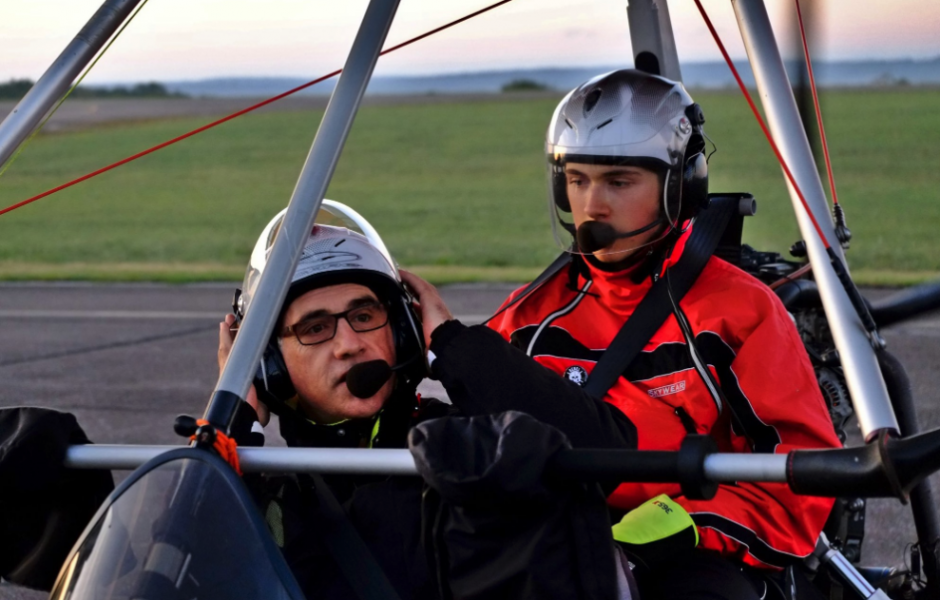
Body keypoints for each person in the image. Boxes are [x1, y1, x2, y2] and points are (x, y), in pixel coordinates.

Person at [400, 69, 842, 599]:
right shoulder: (532, 312)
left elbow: (803, 483)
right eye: (578, 180)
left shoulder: (740, 311)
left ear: (680, 185)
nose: (593, 205)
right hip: (560, 541)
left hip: (698, 551)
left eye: (618, 181)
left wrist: (689, 523)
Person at [218, 213, 448, 600]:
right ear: (269, 364)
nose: (349, 344)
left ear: (404, 331)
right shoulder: (264, 497)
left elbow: (580, 444)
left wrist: (454, 345)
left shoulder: (464, 451)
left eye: (363, 316)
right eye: (316, 328)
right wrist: (231, 424)